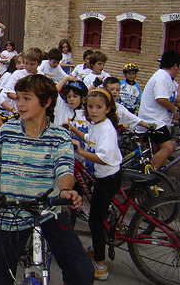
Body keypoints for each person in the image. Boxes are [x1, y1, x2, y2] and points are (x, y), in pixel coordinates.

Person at [0, 74, 94, 285]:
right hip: (11, 212)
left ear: (46, 102)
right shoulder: (6, 132)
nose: (19, 104)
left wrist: (66, 191)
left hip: (49, 212)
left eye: (27, 98)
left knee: (83, 273)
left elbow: (64, 169)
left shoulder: (59, 136)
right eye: (19, 98)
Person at [68, 88, 122, 281]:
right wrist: (73, 130)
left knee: (94, 221)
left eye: (99, 107)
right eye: (90, 106)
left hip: (108, 179)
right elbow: (89, 139)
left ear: (108, 109)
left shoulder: (106, 129)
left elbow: (104, 158)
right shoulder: (97, 125)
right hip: (102, 177)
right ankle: (96, 247)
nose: (93, 111)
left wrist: (81, 152)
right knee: (97, 216)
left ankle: (100, 264)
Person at [137, 50, 180, 169]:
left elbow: (176, 98)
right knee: (168, 147)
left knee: (153, 150)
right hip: (153, 120)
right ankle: (148, 178)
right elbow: (161, 99)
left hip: (159, 120)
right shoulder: (161, 77)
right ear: (175, 66)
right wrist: (174, 110)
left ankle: (147, 174)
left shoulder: (168, 79)